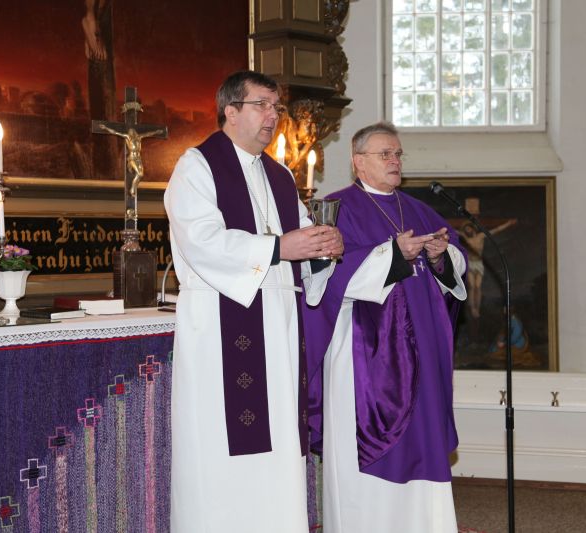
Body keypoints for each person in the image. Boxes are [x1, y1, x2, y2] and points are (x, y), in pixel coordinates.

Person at [163, 70, 344, 533]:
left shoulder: (280, 176)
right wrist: (281, 247)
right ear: (230, 110)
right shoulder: (197, 167)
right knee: (221, 448)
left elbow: (299, 244)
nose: (273, 116)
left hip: (277, 328)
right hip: (220, 327)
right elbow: (202, 241)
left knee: (277, 444)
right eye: (261, 105)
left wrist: (322, 248)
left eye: (276, 107)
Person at [302, 121, 468, 533]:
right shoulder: (335, 209)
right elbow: (325, 279)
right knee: (366, 466)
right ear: (358, 162)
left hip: (422, 350)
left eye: (397, 154)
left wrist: (439, 256)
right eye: (384, 154)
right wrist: (391, 254)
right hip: (364, 353)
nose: (395, 161)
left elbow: (456, 263)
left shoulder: (418, 209)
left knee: (423, 445)